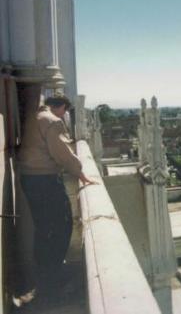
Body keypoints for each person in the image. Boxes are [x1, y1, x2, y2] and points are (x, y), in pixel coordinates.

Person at [16, 94, 94, 304]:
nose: (64, 115)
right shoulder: (52, 121)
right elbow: (63, 154)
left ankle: (43, 277)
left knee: (43, 230)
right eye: (65, 111)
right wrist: (80, 172)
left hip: (28, 180)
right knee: (62, 226)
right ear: (60, 108)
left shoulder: (32, 117)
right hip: (45, 181)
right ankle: (51, 280)